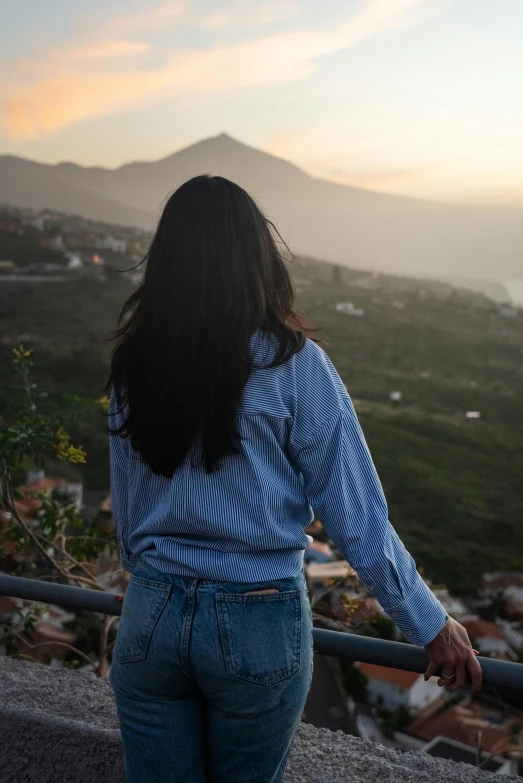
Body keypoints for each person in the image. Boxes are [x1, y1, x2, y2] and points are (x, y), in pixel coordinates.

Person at [106, 175, 482, 783]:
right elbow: (355, 515)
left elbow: (127, 500)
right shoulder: (293, 363)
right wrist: (430, 622)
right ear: (257, 257)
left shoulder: (135, 362)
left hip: (152, 615)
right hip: (255, 622)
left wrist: (147, 578)